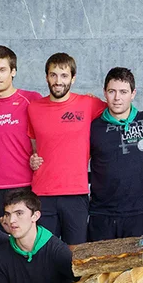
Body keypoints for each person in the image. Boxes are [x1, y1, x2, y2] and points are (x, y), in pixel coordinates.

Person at [27, 53, 106, 245]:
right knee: (46, 251)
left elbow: (118, 110)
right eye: (53, 75)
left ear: (73, 78)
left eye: (64, 75)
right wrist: (33, 159)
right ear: (46, 77)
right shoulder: (34, 108)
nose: (58, 81)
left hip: (76, 193)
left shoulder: (88, 103)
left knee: (76, 253)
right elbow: (35, 146)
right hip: (43, 193)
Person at [86, 67, 143, 241]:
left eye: (123, 92)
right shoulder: (92, 126)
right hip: (101, 213)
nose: (117, 98)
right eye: (112, 91)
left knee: (139, 260)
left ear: (133, 94)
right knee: (101, 260)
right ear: (105, 93)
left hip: (138, 212)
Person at [0, 45, 41, 228]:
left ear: (13, 71)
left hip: (23, 185)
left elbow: (50, 127)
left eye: (2, 70)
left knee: (23, 239)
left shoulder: (31, 99)